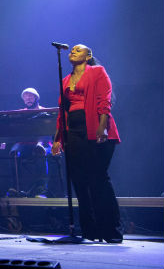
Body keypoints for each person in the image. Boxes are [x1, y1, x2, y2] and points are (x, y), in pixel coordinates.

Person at [52, 44, 122, 243]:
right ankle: (90, 231)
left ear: (88, 55)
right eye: (72, 50)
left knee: (98, 178)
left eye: (78, 49)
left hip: (94, 126)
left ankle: (111, 231)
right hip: (73, 131)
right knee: (80, 182)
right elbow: (62, 112)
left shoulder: (97, 71)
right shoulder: (65, 80)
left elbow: (104, 100)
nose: (73, 51)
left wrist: (102, 127)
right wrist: (57, 139)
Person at [9, 87, 51, 196]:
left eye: (30, 96)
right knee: (13, 152)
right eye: (25, 97)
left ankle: (42, 186)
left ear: (36, 98)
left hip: (43, 142)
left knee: (40, 150)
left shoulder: (45, 111)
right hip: (25, 143)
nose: (28, 98)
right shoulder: (21, 113)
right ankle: (16, 187)